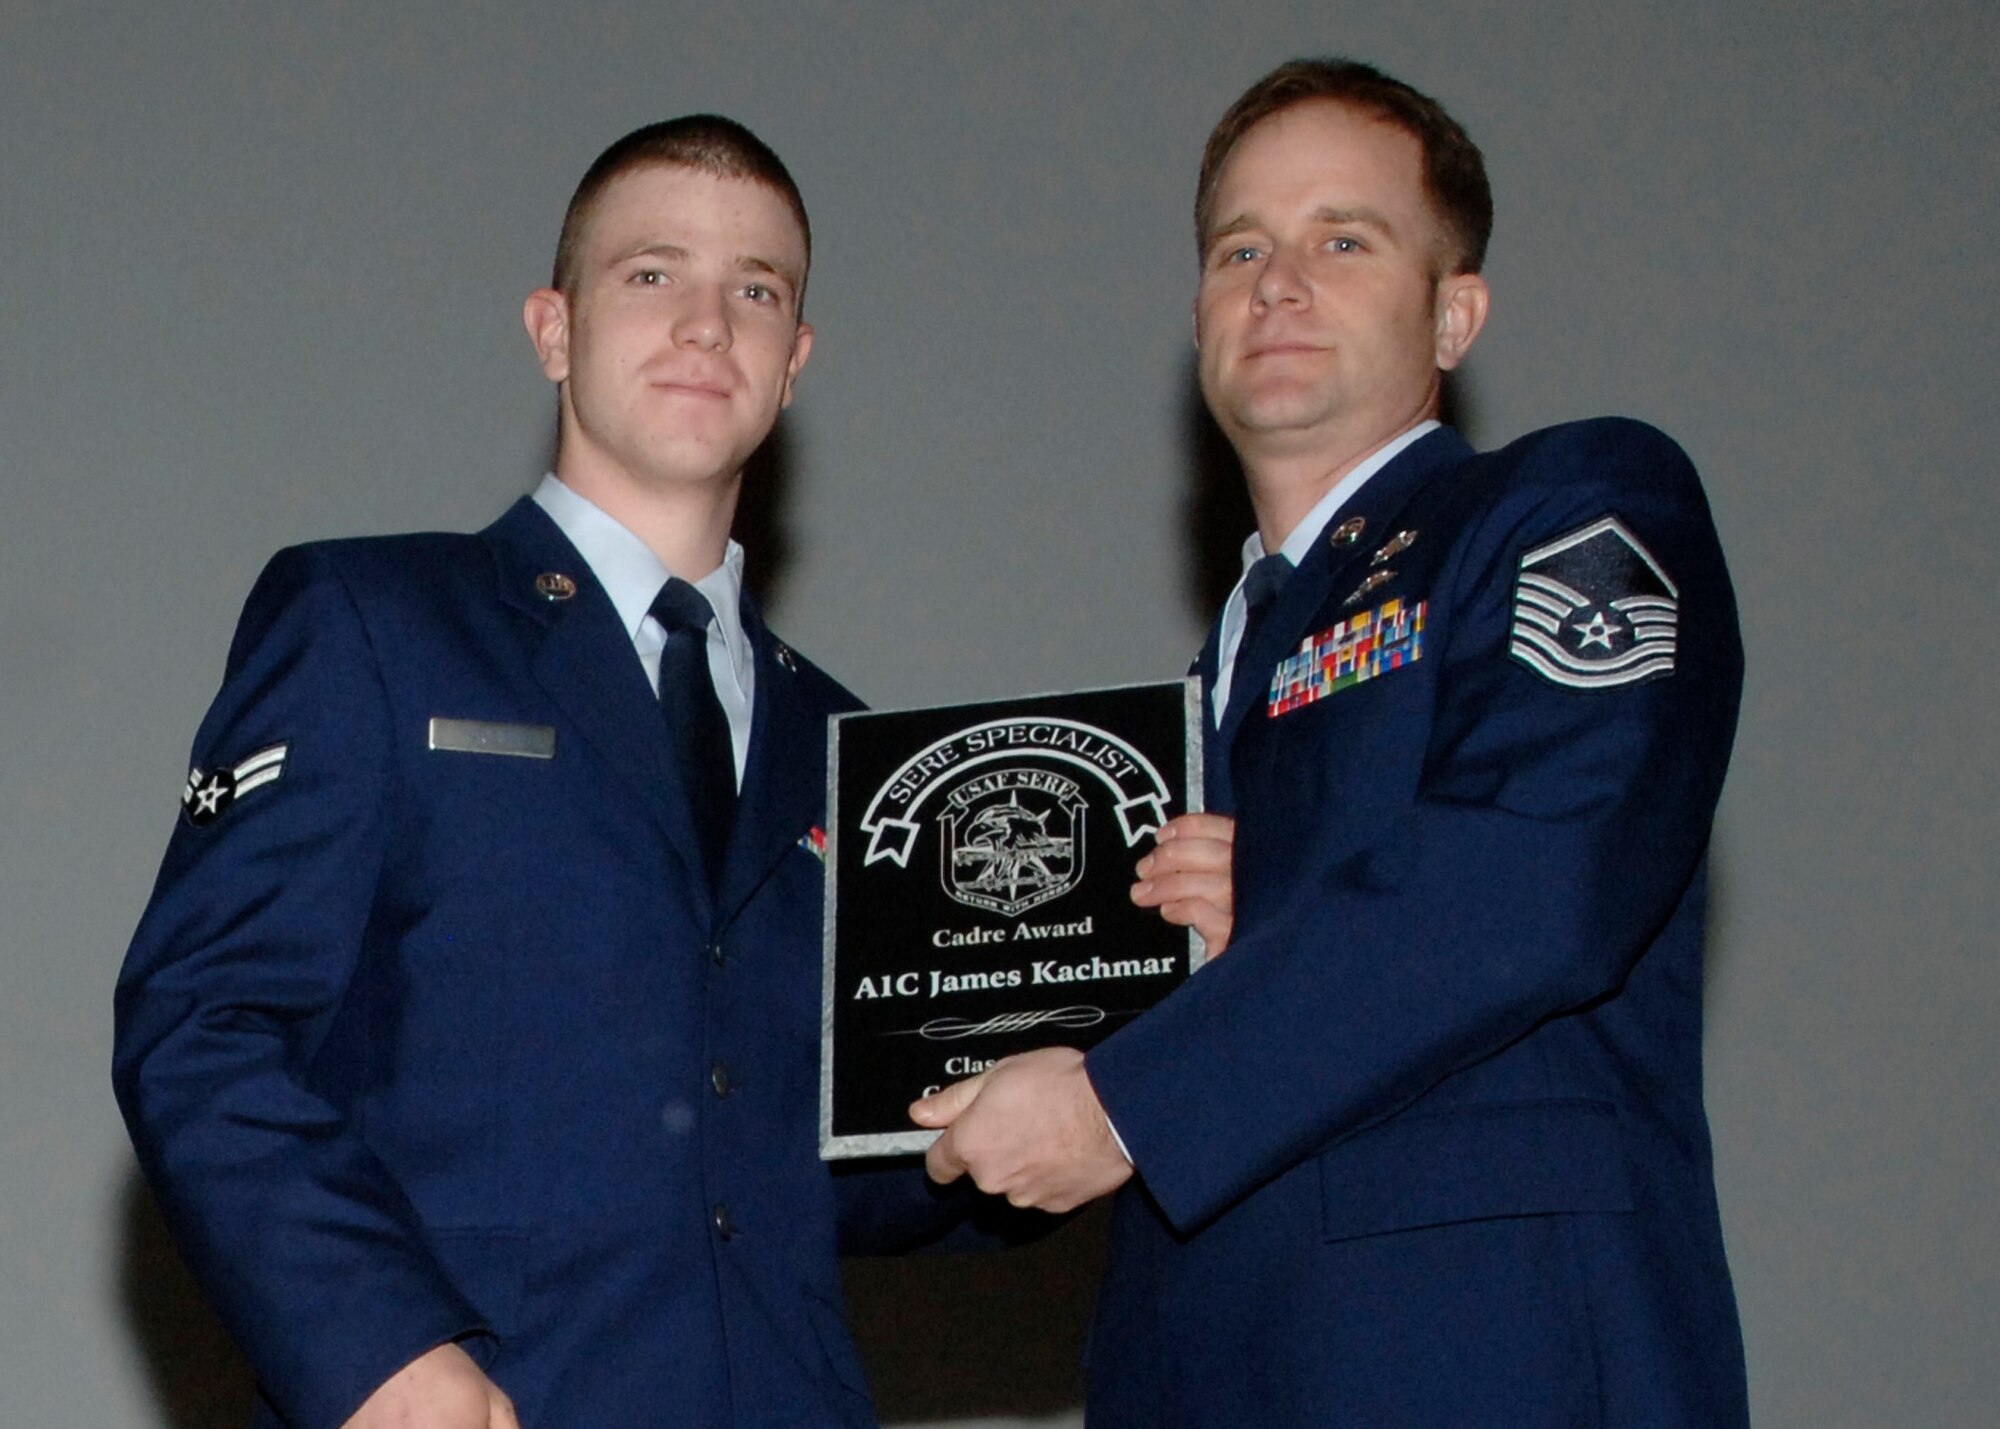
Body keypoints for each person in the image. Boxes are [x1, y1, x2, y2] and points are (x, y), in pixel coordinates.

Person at [913, 58, 1751, 1425]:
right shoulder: (1194, 696)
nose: (1278, 282)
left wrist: (1123, 1103)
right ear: (1196, 316)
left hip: (1485, 1366)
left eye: (1342, 239)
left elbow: (1545, 873)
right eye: (1240, 246)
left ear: (1457, 309)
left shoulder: (1571, 508)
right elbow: (1039, 1090)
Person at [115, 115, 952, 1429]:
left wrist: (1079, 1081)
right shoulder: (376, 621)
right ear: (552, 328)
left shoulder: (856, 756)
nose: (703, 323)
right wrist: (381, 1356)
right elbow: (204, 1025)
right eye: (652, 273)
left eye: (755, 289)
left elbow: (830, 1169)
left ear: (794, 363)